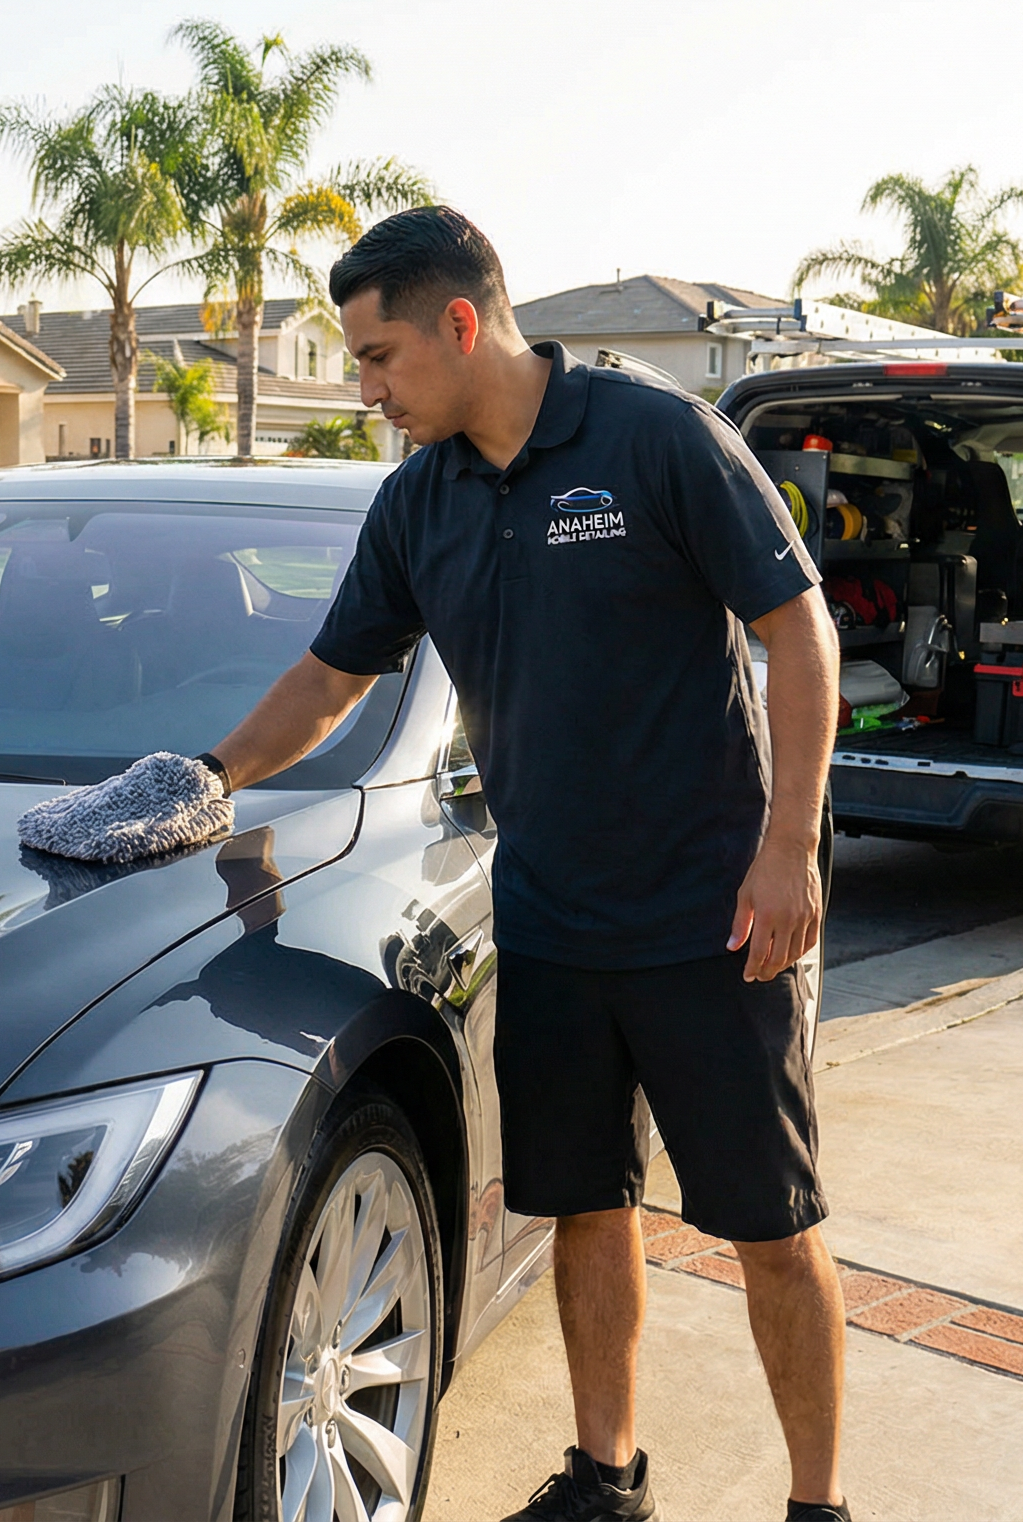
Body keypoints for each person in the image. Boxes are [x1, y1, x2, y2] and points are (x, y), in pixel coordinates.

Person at [201, 208, 848, 1522]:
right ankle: (607, 1480)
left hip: (716, 916)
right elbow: (330, 680)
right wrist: (204, 780)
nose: (369, 393)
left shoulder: (651, 438)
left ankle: (818, 1506)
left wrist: (788, 850)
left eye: (381, 358)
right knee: (586, 1208)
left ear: (460, 321)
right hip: (550, 923)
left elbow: (800, 628)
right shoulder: (420, 502)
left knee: (772, 1227)